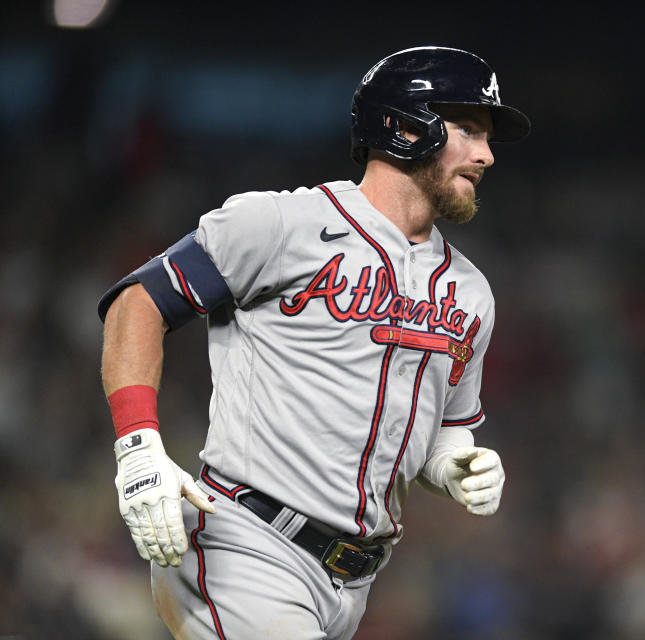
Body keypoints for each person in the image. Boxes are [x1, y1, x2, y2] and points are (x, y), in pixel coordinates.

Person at [97, 46, 529, 640]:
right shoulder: (282, 225)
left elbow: (445, 427)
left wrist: (451, 462)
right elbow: (138, 302)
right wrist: (138, 446)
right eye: (468, 129)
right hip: (246, 546)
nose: (485, 153)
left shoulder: (471, 292)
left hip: (352, 584)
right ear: (404, 126)